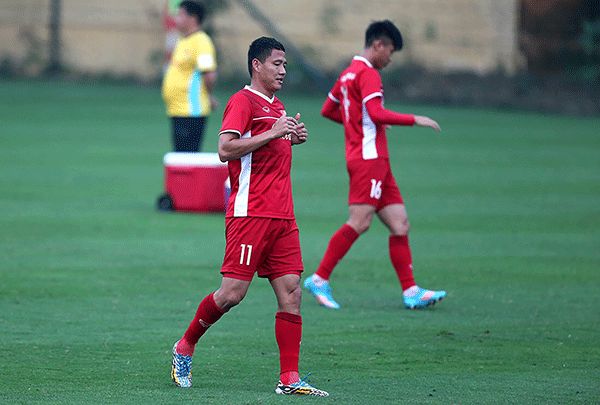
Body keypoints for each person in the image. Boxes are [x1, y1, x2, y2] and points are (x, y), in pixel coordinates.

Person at [170, 36, 329, 397]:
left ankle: (289, 379)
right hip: (250, 213)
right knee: (231, 294)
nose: (283, 71)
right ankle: (185, 345)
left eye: (285, 65)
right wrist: (273, 133)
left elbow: (266, 148)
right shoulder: (242, 102)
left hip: (283, 216)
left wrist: (289, 138)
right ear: (256, 65)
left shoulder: (278, 106)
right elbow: (225, 149)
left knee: (291, 293)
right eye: (277, 64)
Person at [304, 20, 446, 310]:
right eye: (390, 51)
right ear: (378, 45)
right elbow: (377, 113)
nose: (390, 59)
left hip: (374, 160)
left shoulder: (348, 73)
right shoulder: (368, 73)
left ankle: (411, 292)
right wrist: (414, 119)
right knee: (360, 221)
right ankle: (319, 278)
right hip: (369, 159)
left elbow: (328, 109)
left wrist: (359, 122)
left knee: (400, 224)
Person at [162, 1, 217, 152]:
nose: (176, 18)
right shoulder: (183, 40)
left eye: (180, 14)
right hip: (178, 110)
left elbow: (209, 74)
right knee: (180, 157)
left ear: (193, 18)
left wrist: (209, 96)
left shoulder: (201, 42)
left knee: (187, 159)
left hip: (191, 112)